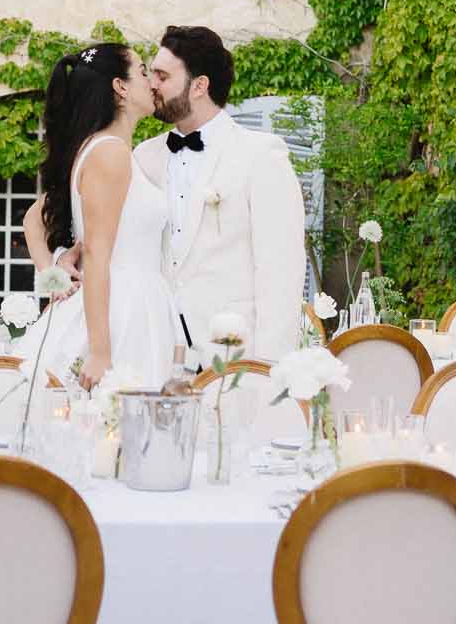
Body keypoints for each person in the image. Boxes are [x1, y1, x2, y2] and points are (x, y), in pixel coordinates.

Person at [29, 25, 307, 369]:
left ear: (200, 86)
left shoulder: (261, 156)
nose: (152, 84)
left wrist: (269, 367)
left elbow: (282, 273)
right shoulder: (140, 156)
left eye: (161, 75)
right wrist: (57, 264)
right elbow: (49, 210)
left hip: (231, 354)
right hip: (153, 339)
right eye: (149, 73)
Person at [17, 42, 180, 390]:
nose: (151, 81)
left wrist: (52, 272)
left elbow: (34, 218)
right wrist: (101, 350)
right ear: (120, 87)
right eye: (142, 71)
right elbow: (97, 253)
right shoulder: (110, 153)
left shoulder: (104, 149)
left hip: (136, 299)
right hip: (122, 307)